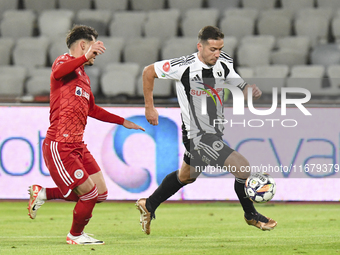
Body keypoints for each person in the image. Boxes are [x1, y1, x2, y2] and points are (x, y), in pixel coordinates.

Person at [136, 26, 277, 235]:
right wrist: (149, 107)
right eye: (212, 49)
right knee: (243, 168)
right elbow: (149, 71)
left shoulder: (224, 61)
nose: (217, 54)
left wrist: (248, 90)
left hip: (214, 133)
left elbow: (238, 83)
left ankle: (149, 204)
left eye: (220, 48)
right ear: (199, 46)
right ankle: (251, 215)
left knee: (187, 176)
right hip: (197, 136)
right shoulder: (183, 66)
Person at [27, 25, 145, 245]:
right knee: (88, 195)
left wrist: (123, 121)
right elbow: (57, 73)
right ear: (84, 45)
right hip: (60, 144)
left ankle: (43, 194)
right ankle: (75, 235)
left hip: (78, 145)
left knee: (99, 194)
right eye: (93, 48)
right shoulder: (63, 62)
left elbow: (92, 109)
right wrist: (86, 56)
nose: (96, 55)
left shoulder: (83, 76)